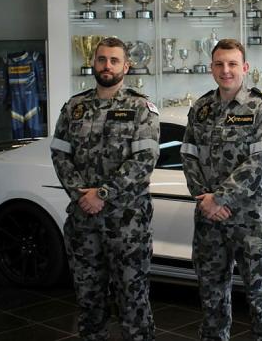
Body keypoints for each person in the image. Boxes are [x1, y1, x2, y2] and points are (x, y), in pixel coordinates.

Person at [50, 36, 160, 341]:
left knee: (133, 301)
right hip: (84, 221)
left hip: (127, 224)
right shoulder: (74, 107)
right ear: (93, 62)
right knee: (88, 300)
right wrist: (80, 194)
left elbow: (144, 160)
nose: (107, 65)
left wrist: (102, 194)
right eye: (102, 59)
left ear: (126, 66)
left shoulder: (141, 108)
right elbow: (60, 153)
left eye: (114, 60)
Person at [180, 38, 262, 341]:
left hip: (250, 221)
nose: (225, 70)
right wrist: (205, 198)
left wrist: (219, 198)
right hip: (209, 220)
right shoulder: (201, 108)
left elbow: (259, 161)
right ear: (211, 68)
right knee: (211, 295)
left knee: (261, 297)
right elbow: (188, 155)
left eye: (232, 64)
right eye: (219, 64)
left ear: (245, 67)